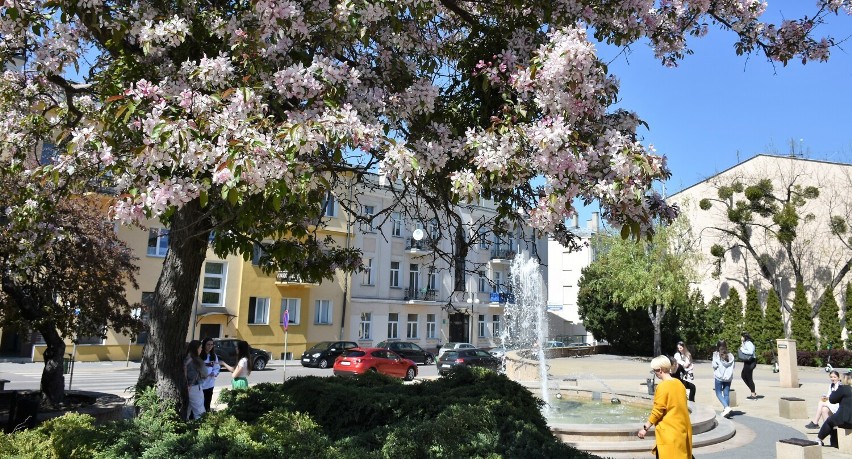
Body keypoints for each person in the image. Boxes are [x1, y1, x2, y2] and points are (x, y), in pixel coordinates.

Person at [637, 355, 693, 458]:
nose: (655, 373)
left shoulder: (662, 387)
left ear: (661, 370)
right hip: (681, 430)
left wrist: (645, 428)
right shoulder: (679, 383)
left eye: (655, 370)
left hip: (668, 432)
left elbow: (658, 410)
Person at [817, 371, 852, 447]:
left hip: (846, 419)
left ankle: (819, 439)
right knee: (835, 422)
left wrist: (836, 390)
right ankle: (834, 443)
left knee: (830, 421)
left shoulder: (844, 388)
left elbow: (832, 400)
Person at [712, 340, 735, 417]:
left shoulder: (716, 355)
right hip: (728, 378)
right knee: (726, 394)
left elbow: (714, 365)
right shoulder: (731, 355)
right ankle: (727, 412)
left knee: (718, 393)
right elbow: (733, 366)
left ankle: (726, 407)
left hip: (719, 377)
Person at [184, 339, 206, 420]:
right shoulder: (196, 360)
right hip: (194, 387)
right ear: (196, 348)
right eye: (200, 347)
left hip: (186, 387)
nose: (201, 349)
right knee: (199, 411)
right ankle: (201, 430)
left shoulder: (186, 358)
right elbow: (203, 374)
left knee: (187, 410)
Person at [200, 337, 220, 412]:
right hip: (201, 383)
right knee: (199, 403)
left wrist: (213, 373)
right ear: (204, 345)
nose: (210, 346)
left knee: (207, 403)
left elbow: (217, 367)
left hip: (210, 383)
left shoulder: (214, 356)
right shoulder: (200, 355)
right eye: (208, 344)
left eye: (211, 345)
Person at [739, 332, 758, 399]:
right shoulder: (745, 343)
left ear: (745, 337)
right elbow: (743, 347)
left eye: (742, 336)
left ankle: (753, 394)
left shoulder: (748, 343)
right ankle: (753, 391)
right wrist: (742, 343)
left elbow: (750, 352)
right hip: (747, 361)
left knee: (749, 378)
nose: (741, 337)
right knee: (743, 375)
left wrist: (742, 350)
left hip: (751, 361)